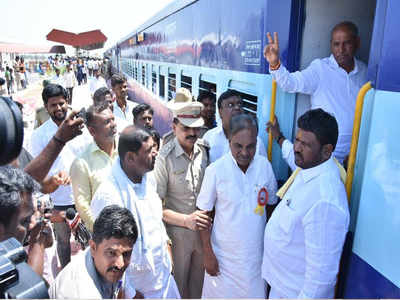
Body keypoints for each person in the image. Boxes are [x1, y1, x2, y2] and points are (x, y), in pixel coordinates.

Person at [262, 109, 349, 299]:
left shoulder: (326, 201)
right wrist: (279, 138)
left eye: (305, 144)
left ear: (326, 151)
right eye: (297, 140)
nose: (297, 148)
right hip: (281, 288)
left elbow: (321, 280)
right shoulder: (308, 168)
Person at [91, 126, 180, 298]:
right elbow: (107, 255)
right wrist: (129, 292)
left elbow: (155, 220)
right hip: (137, 289)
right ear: (130, 157)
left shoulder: (148, 178)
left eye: (154, 149)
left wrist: (166, 248)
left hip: (162, 279)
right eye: (148, 151)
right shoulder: (109, 196)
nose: (155, 154)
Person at [197, 113, 278, 298]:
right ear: (229, 139)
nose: (244, 152)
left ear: (257, 140)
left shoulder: (264, 167)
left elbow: (271, 208)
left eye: (250, 146)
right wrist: (208, 253)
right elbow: (203, 216)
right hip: (222, 260)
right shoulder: (215, 171)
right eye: (238, 146)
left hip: (255, 261)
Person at [263, 21, 368, 163]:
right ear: (331, 44)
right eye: (336, 44)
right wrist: (275, 63)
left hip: (355, 156)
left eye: (347, 43)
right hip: (325, 156)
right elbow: (290, 83)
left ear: (357, 43)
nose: (341, 50)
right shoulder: (320, 69)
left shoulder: (365, 72)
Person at [154, 94, 212, 298]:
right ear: (174, 126)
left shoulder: (205, 151)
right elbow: (156, 208)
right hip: (178, 236)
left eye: (196, 128)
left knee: (199, 288)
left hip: (203, 235)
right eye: (185, 128)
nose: (192, 133)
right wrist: (186, 220)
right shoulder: (164, 158)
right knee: (177, 289)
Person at [29, 84, 89, 268]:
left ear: (68, 102)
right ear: (46, 107)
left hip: (83, 196)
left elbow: (89, 159)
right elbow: (37, 172)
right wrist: (55, 179)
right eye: (53, 105)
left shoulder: (82, 129)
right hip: (58, 201)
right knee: (63, 242)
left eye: (61, 103)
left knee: (88, 240)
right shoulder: (38, 136)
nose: (58, 108)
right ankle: (65, 275)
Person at [49, 205, 138, 299]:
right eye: (112, 253)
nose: (120, 264)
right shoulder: (81, 294)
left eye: (126, 254)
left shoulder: (106, 261)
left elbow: (120, 289)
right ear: (93, 247)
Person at [70, 105, 118, 231]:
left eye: (113, 119)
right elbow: (82, 205)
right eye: (107, 122)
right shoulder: (81, 163)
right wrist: (102, 232)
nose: (113, 124)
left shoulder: (128, 151)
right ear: (92, 131)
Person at [203, 89, 267, 163]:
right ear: (220, 112)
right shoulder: (209, 137)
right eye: (230, 105)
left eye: (239, 104)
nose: (237, 108)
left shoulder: (257, 143)